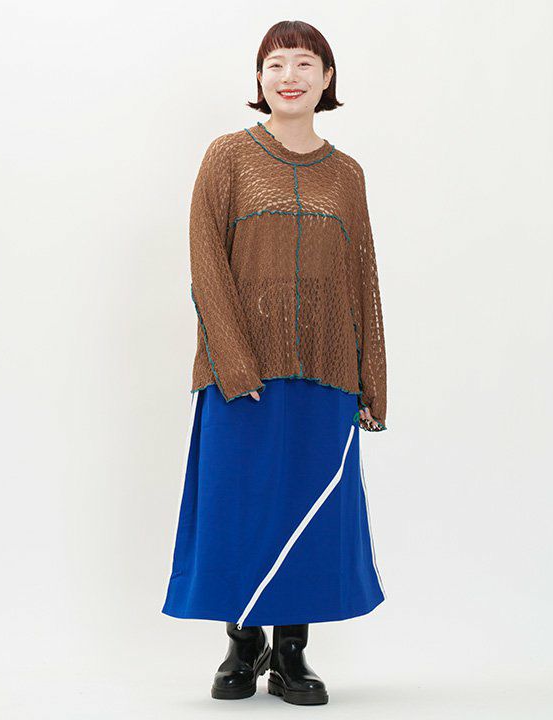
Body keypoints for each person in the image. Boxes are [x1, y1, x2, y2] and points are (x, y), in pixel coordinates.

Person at [161, 20, 388, 706]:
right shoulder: (228, 156)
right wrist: (234, 363)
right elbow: (206, 262)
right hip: (242, 373)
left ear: (327, 79)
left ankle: (291, 652)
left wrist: (371, 380)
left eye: (305, 63)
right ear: (259, 79)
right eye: (276, 63)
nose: (290, 76)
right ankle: (243, 643)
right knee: (238, 505)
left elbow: (362, 277)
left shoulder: (347, 174)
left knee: (310, 512)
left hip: (325, 371)